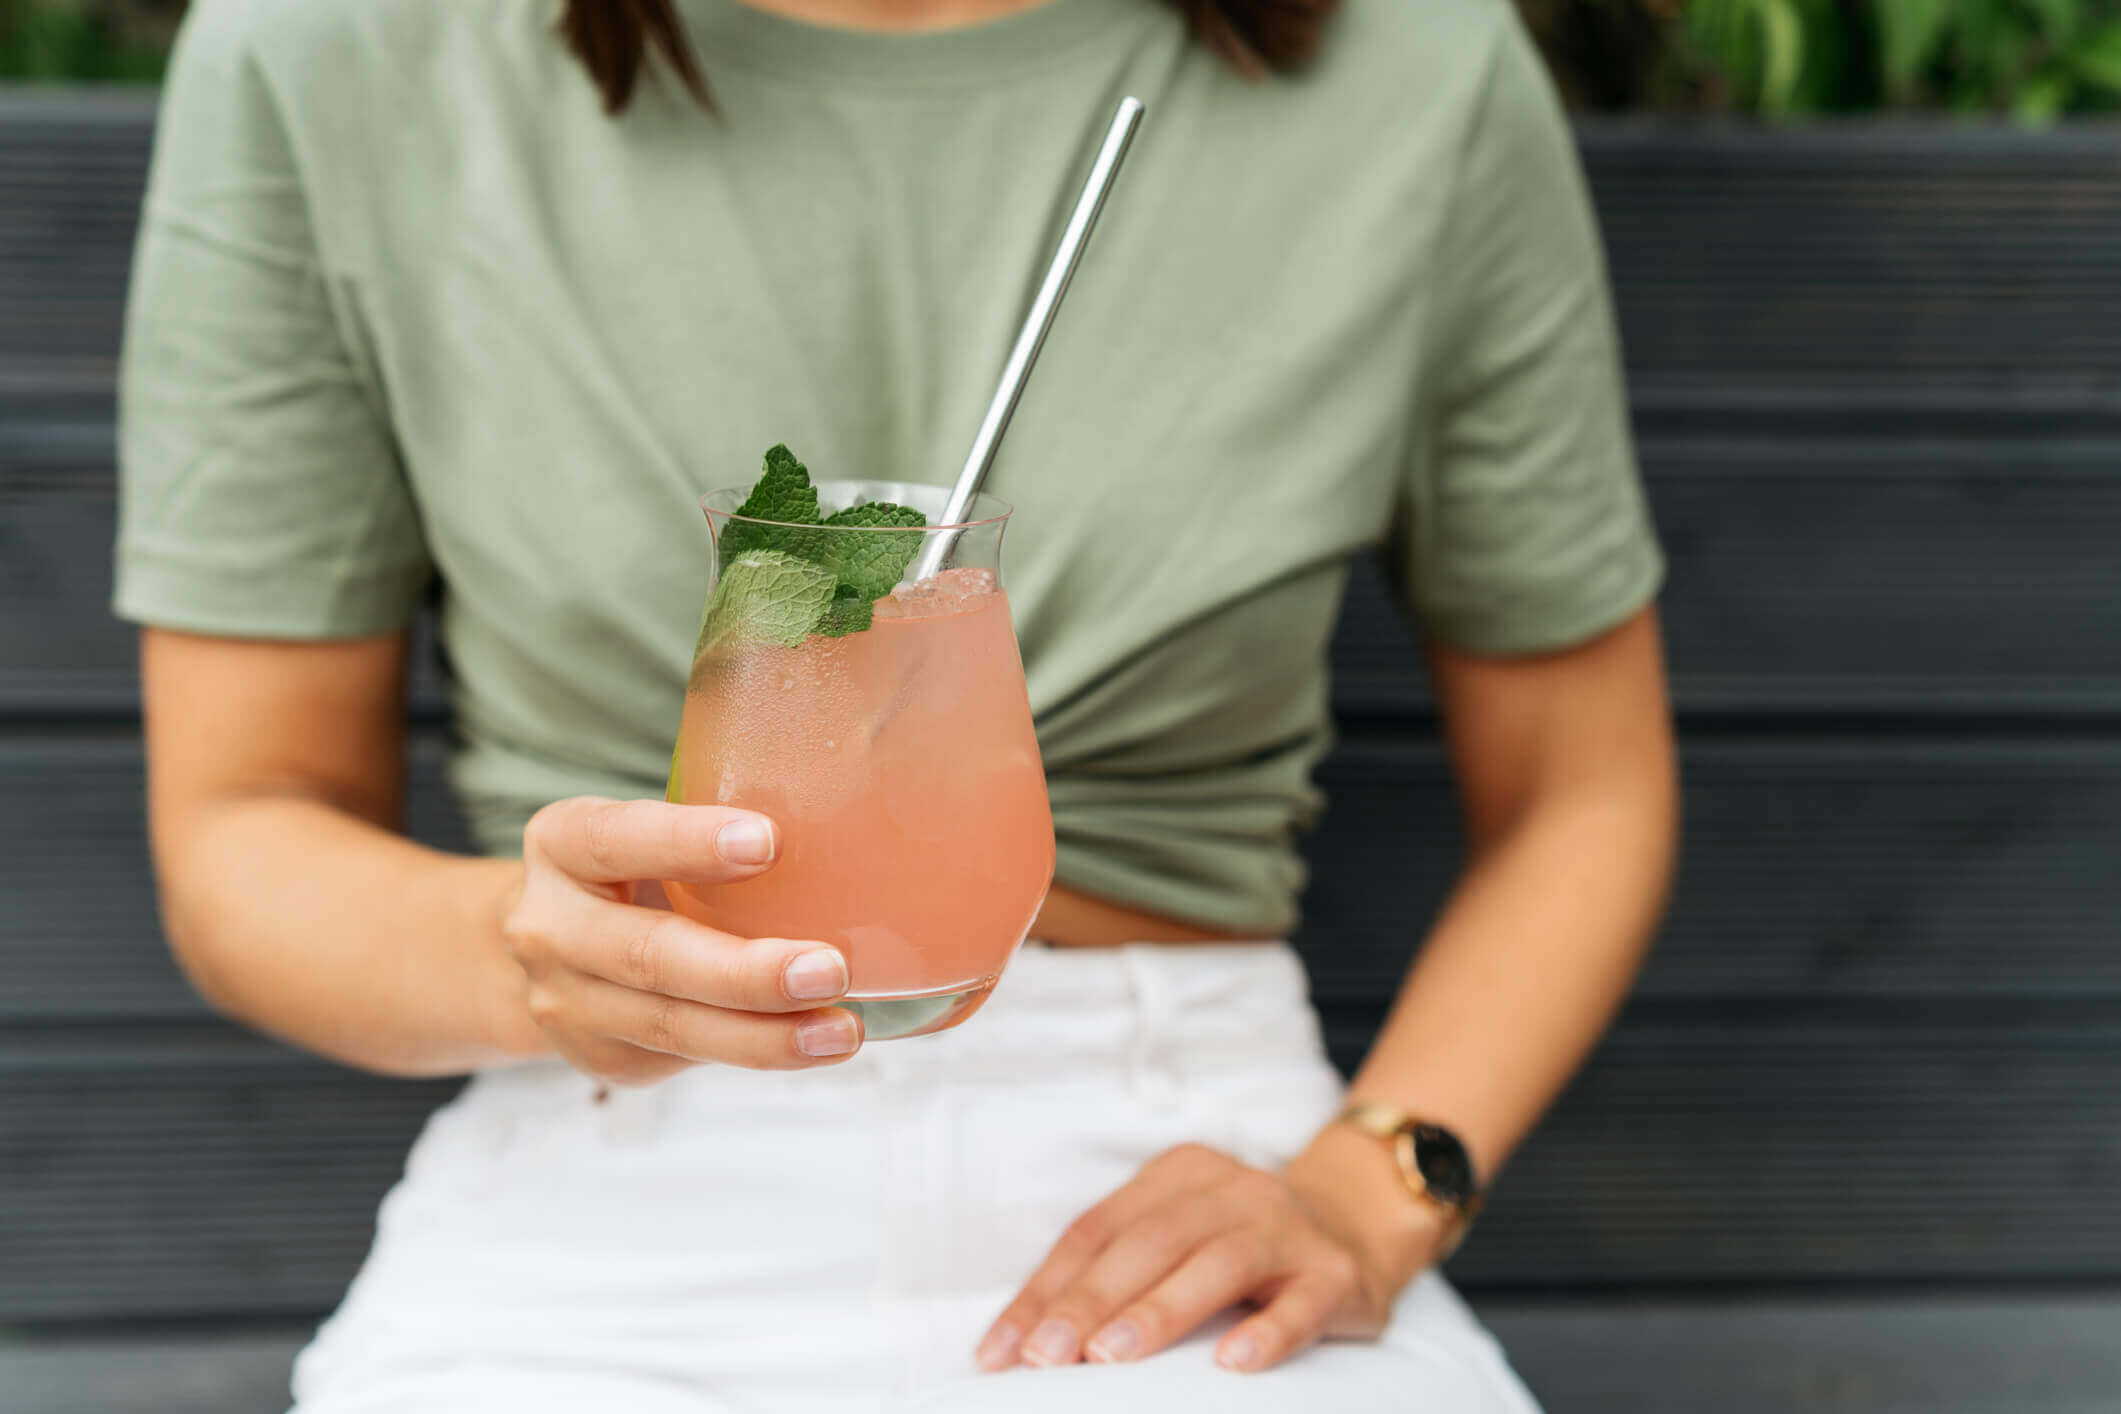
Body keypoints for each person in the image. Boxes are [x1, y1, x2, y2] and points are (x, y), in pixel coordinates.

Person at [116, 0, 1678, 1407]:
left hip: (1184, 1151)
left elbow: (1580, 788)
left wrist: (1367, 1189)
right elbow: (243, 823)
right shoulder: (326, 51)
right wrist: (544, 965)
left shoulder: (1418, 67)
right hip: (609, 1156)